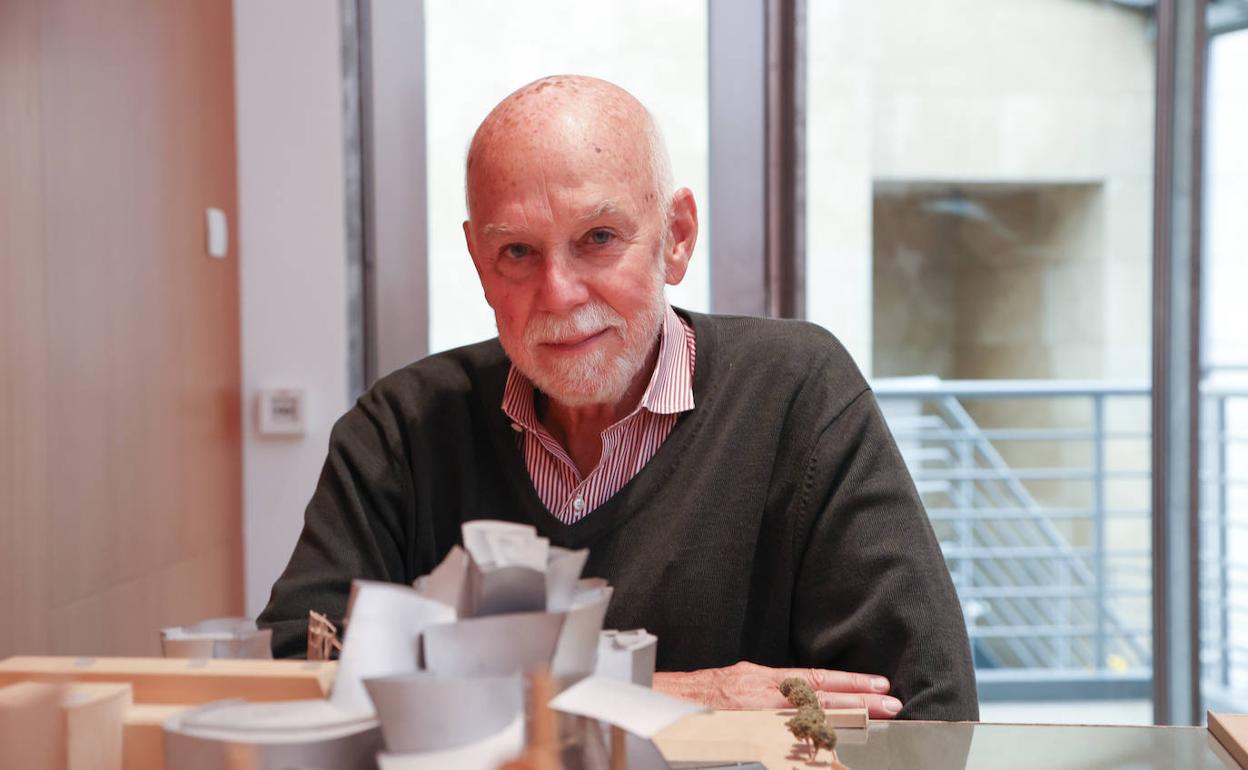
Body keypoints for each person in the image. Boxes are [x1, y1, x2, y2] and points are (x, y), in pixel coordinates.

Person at [258, 75, 978, 721]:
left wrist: (484, 690)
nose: (559, 294)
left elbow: (924, 706)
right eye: (518, 252)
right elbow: (302, 668)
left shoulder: (798, 392)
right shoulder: (402, 428)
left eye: (598, 238)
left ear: (677, 237)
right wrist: (658, 692)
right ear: (480, 262)